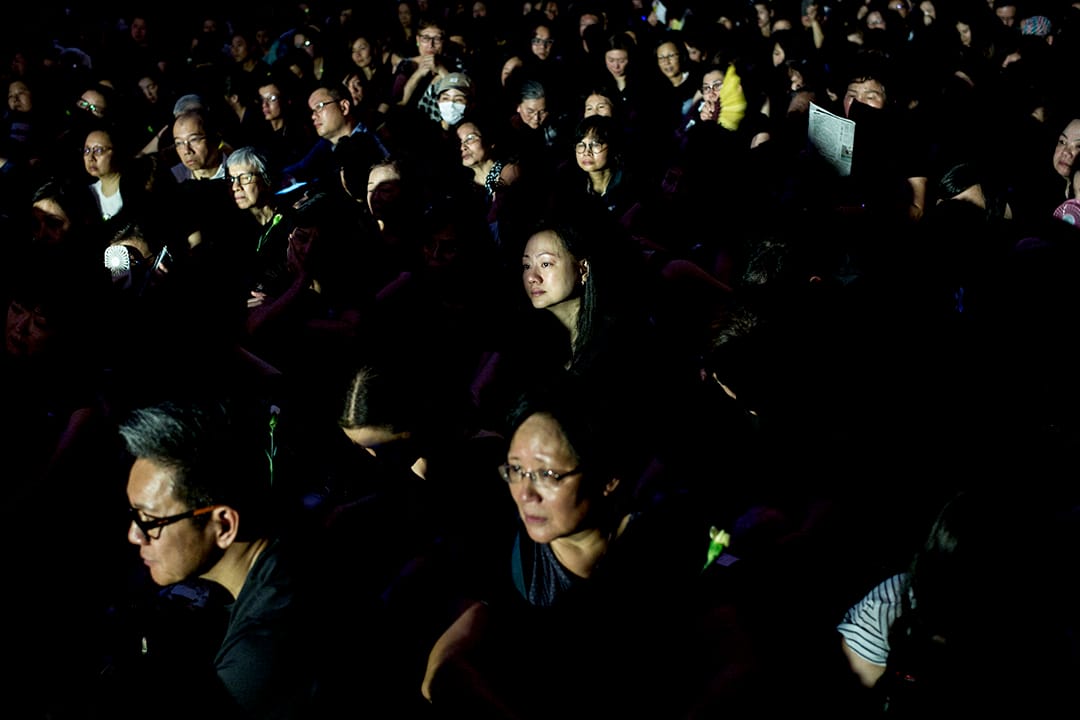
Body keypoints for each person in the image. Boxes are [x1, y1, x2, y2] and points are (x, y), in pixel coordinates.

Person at [117, 398, 320, 718]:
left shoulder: (259, 657)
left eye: (149, 520)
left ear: (223, 524)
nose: (134, 535)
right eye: (133, 515)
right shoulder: (288, 555)